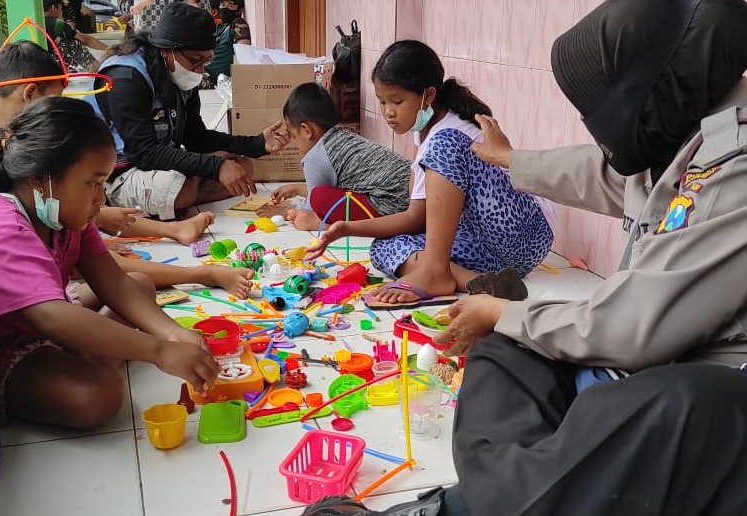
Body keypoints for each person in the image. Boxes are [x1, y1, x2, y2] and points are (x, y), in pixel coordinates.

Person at [301, 0, 747, 514]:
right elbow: (608, 174)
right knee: (507, 350)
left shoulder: (730, 167)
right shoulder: (687, 132)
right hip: (640, 350)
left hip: (706, 381)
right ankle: (516, 489)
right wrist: (512, 160)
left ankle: (466, 506)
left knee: (675, 408)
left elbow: (631, 329)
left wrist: (506, 311)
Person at [0, 97, 220, 429]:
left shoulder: (61, 212)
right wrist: (158, 351)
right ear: (40, 178)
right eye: (92, 183)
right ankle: (95, 354)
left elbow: (113, 280)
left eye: (104, 182)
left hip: (31, 325)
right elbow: (50, 316)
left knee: (138, 284)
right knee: (97, 396)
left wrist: (175, 334)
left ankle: (92, 347)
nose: (101, 198)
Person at [0, 41, 254, 297]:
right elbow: (67, 288)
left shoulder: (18, 145)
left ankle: (174, 230)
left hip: (66, 237)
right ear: (30, 93)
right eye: (55, 101)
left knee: (114, 250)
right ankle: (198, 270)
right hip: (48, 278)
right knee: (108, 259)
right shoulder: (5, 165)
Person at [306, 40, 553, 306]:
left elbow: (417, 216)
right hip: (494, 254)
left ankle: (436, 272)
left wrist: (349, 228)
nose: (388, 112)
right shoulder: (424, 132)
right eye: (382, 101)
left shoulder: (449, 132)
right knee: (384, 247)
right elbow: (417, 216)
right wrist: (345, 228)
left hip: (525, 232)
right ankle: (474, 282)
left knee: (445, 144)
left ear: (429, 96)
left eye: (397, 101)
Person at [89, 2, 288, 220]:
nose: (200, 71)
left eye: (206, 61)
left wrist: (257, 144)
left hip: (156, 161)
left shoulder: (180, 74)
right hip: (118, 173)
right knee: (172, 186)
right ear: (166, 50)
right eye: (195, 61)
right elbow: (144, 153)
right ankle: (178, 194)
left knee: (243, 165)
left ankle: (185, 192)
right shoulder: (126, 77)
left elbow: (195, 137)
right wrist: (216, 166)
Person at [258, 82, 411, 231]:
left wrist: (285, 213)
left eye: (293, 136)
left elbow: (314, 202)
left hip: (392, 210)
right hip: (411, 195)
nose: (295, 144)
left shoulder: (315, 157)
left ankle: (323, 224)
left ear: (306, 130)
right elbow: (337, 188)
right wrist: (297, 189)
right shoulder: (344, 137)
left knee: (319, 197)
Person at [43, 0, 108, 72]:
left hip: (35, 63)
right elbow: (86, 40)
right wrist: (109, 48)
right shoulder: (57, 24)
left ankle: (69, 69)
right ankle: (95, 68)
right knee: (73, 43)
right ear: (53, 8)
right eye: (61, 9)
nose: (62, 12)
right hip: (47, 66)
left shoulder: (35, 21)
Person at [204, 0, 251, 81]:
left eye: (230, 5)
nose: (225, 8)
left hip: (218, 82)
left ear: (240, 10)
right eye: (223, 4)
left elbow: (244, 55)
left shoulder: (238, 23)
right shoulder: (217, 27)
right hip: (202, 74)